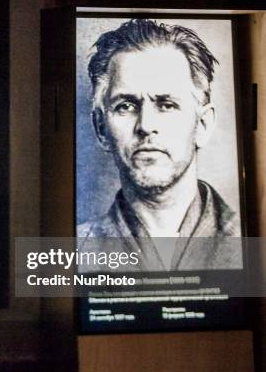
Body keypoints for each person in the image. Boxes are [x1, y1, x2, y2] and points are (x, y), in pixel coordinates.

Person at [77, 19, 241, 271]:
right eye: (126, 106)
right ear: (101, 129)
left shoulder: (252, 240)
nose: (146, 125)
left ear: (203, 125)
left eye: (167, 105)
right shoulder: (73, 252)